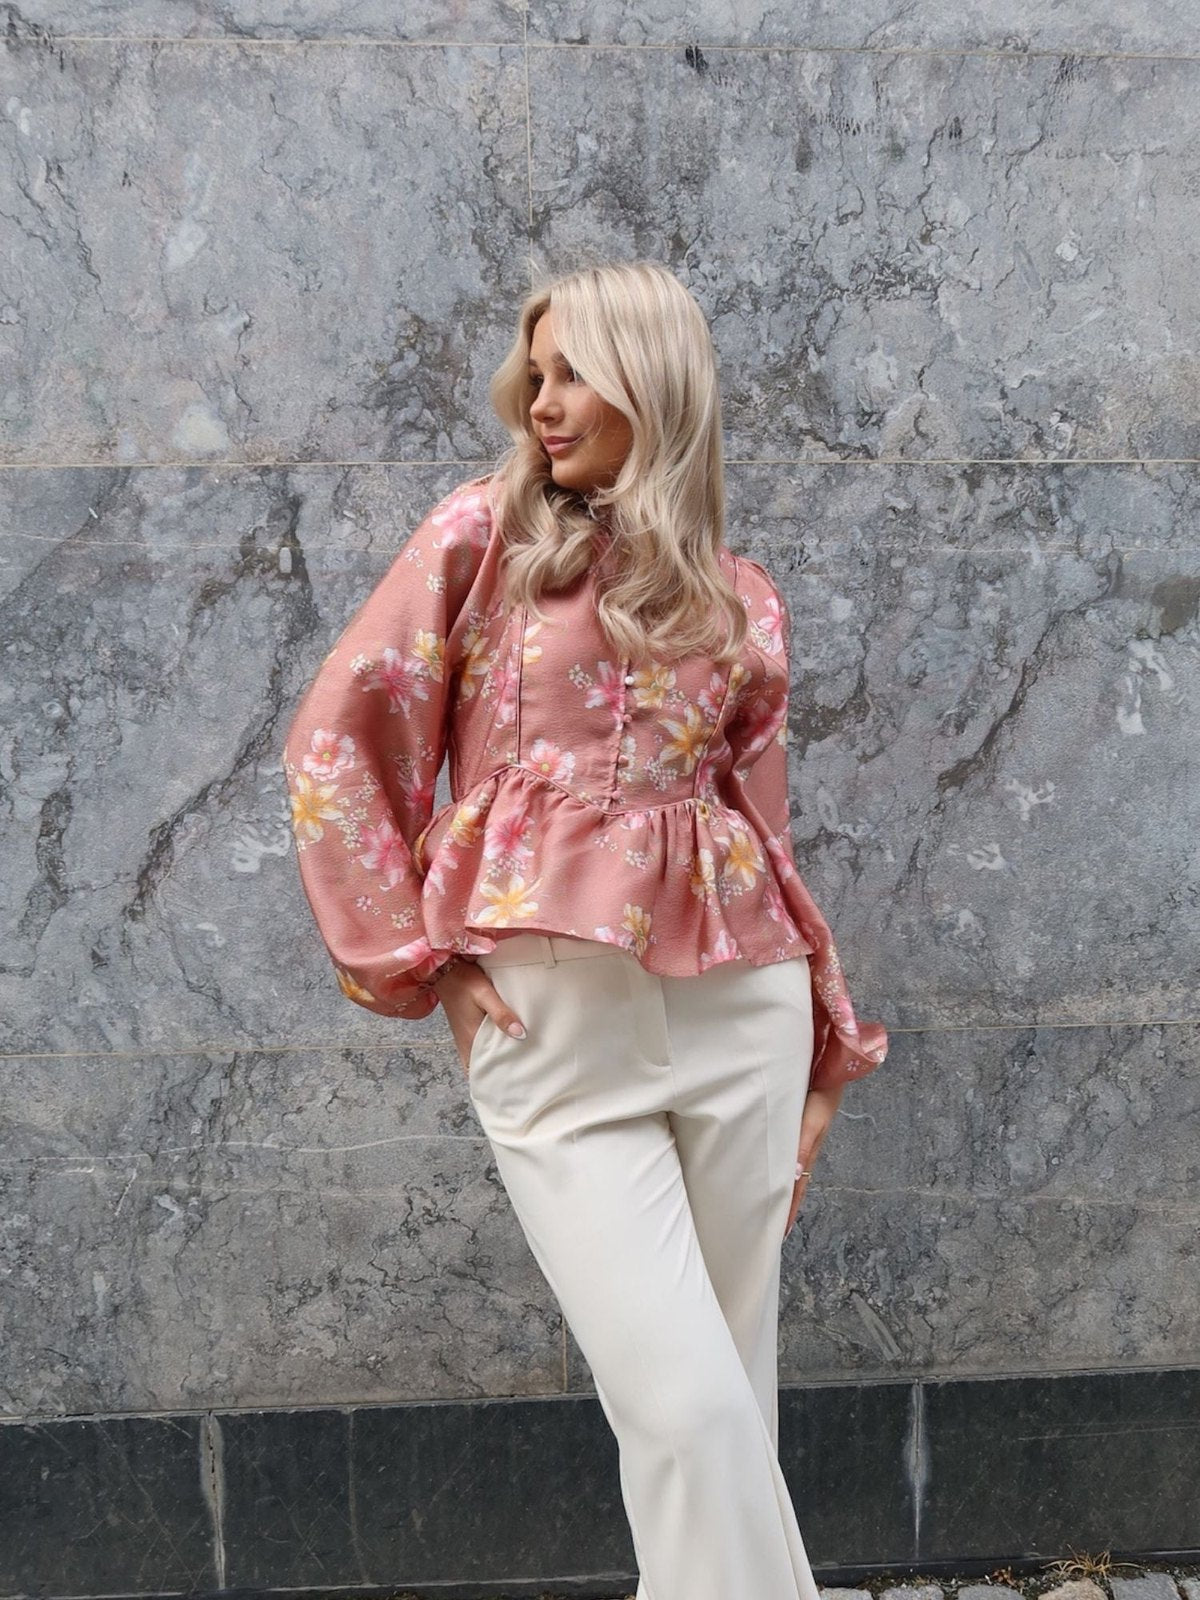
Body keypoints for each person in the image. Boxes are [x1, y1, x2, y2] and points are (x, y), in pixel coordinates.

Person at [283, 258, 888, 1600]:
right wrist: (420, 961)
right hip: (552, 1027)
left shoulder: (741, 594)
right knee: (690, 1414)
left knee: (728, 1413)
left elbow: (764, 831)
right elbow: (336, 744)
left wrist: (824, 1049)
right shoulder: (483, 537)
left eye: (571, 374)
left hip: (742, 1016)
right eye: (535, 374)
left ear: (652, 383)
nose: (539, 403)